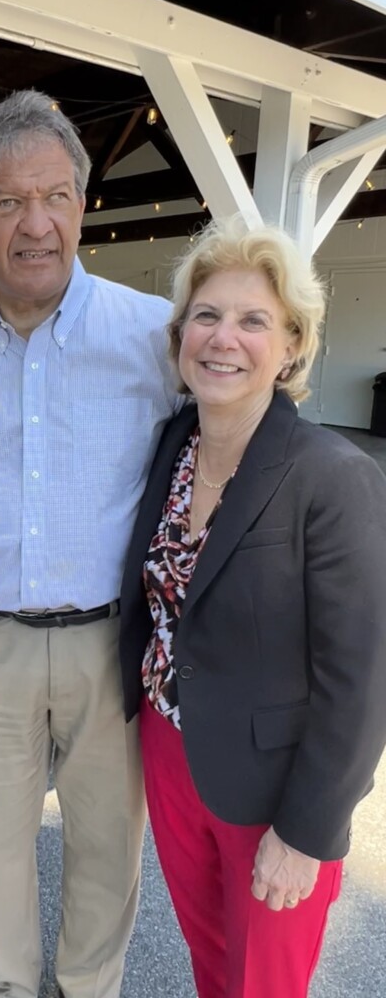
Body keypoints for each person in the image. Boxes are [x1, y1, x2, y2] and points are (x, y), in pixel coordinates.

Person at [0, 90, 181, 998]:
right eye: (8, 201)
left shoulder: (154, 339)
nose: (37, 224)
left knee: (109, 845)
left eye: (56, 196)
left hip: (115, 641)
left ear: (82, 204)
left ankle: (89, 985)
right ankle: (8, 988)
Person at [118, 217, 386, 998]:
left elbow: (361, 678)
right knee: (211, 964)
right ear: (180, 337)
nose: (223, 338)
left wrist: (307, 832)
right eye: (206, 315)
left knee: (265, 983)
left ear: (293, 346)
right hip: (171, 754)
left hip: (275, 787)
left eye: (252, 320)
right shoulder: (174, 446)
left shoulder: (331, 476)